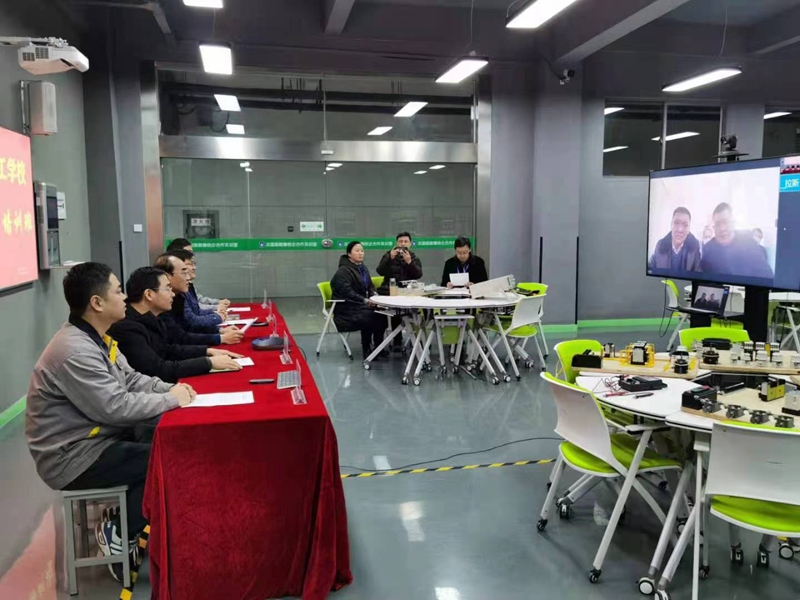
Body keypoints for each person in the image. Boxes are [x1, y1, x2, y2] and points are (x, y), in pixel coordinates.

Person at [25, 262, 196, 582]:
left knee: (167, 438)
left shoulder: (98, 339)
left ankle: (134, 514)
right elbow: (115, 407)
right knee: (165, 458)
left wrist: (171, 390)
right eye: (118, 291)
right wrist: (172, 400)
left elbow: (132, 380)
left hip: (97, 439)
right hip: (73, 456)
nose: (124, 297)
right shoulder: (75, 351)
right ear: (97, 303)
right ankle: (118, 531)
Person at [109, 267, 243, 383]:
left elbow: (167, 349)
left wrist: (207, 351)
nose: (173, 294)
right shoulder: (126, 328)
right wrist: (208, 363)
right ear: (149, 294)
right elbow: (157, 369)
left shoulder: (153, 317)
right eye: (168, 288)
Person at [154, 253, 243, 346]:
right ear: (166, 276)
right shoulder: (161, 305)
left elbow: (187, 327)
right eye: (184, 273)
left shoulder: (179, 297)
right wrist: (219, 339)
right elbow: (180, 337)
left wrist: (219, 331)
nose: (188, 277)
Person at [331, 241, 386, 358]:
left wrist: (373, 295)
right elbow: (347, 292)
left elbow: (370, 286)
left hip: (360, 305)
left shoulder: (362, 268)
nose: (360, 253)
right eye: (357, 251)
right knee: (370, 316)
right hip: (346, 310)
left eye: (362, 250)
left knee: (381, 314)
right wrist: (365, 301)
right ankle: (366, 348)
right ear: (349, 254)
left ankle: (379, 347)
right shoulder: (343, 271)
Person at [701, 203, 773, 279]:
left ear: (733, 223)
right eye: (718, 224)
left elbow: (767, 277)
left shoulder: (749, 244)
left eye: (726, 222)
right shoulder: (708, 250)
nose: (722, 229)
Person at [377, 232, 422, 350]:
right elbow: (380, 271)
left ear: (410, 244)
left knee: (416, 310)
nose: (403, 244)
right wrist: (390, 258)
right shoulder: (389, 255)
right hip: (391, 292)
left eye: (406, 241)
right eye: (400, 241)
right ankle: (396, 340)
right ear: (396, 243)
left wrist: (409, 263)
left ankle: (416, 339)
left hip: (408, 292)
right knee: (395, 311)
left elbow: (418, 275)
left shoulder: (413, 257)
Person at [167, 249, 227, 329]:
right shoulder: (177, 294)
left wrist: (219, 331)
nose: (194, 268)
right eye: (190, 264)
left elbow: (196, 310)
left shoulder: (183, 290)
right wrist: (217, 317)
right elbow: (191, 322)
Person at [166, 237, 230, 312]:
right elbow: (193, 310)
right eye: (188, 252)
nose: (191, 255)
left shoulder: (186, 283)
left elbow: (197, 300)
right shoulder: (175, 285)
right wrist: (216, 308)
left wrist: (218, 303)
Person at [648, 207, 702, 273]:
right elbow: (650, 269)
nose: (680, 230)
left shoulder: (695, 247)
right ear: (671, 225)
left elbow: (698, 273)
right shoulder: (660, 246)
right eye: (676, 223)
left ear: (689, 229)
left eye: (685, 225)